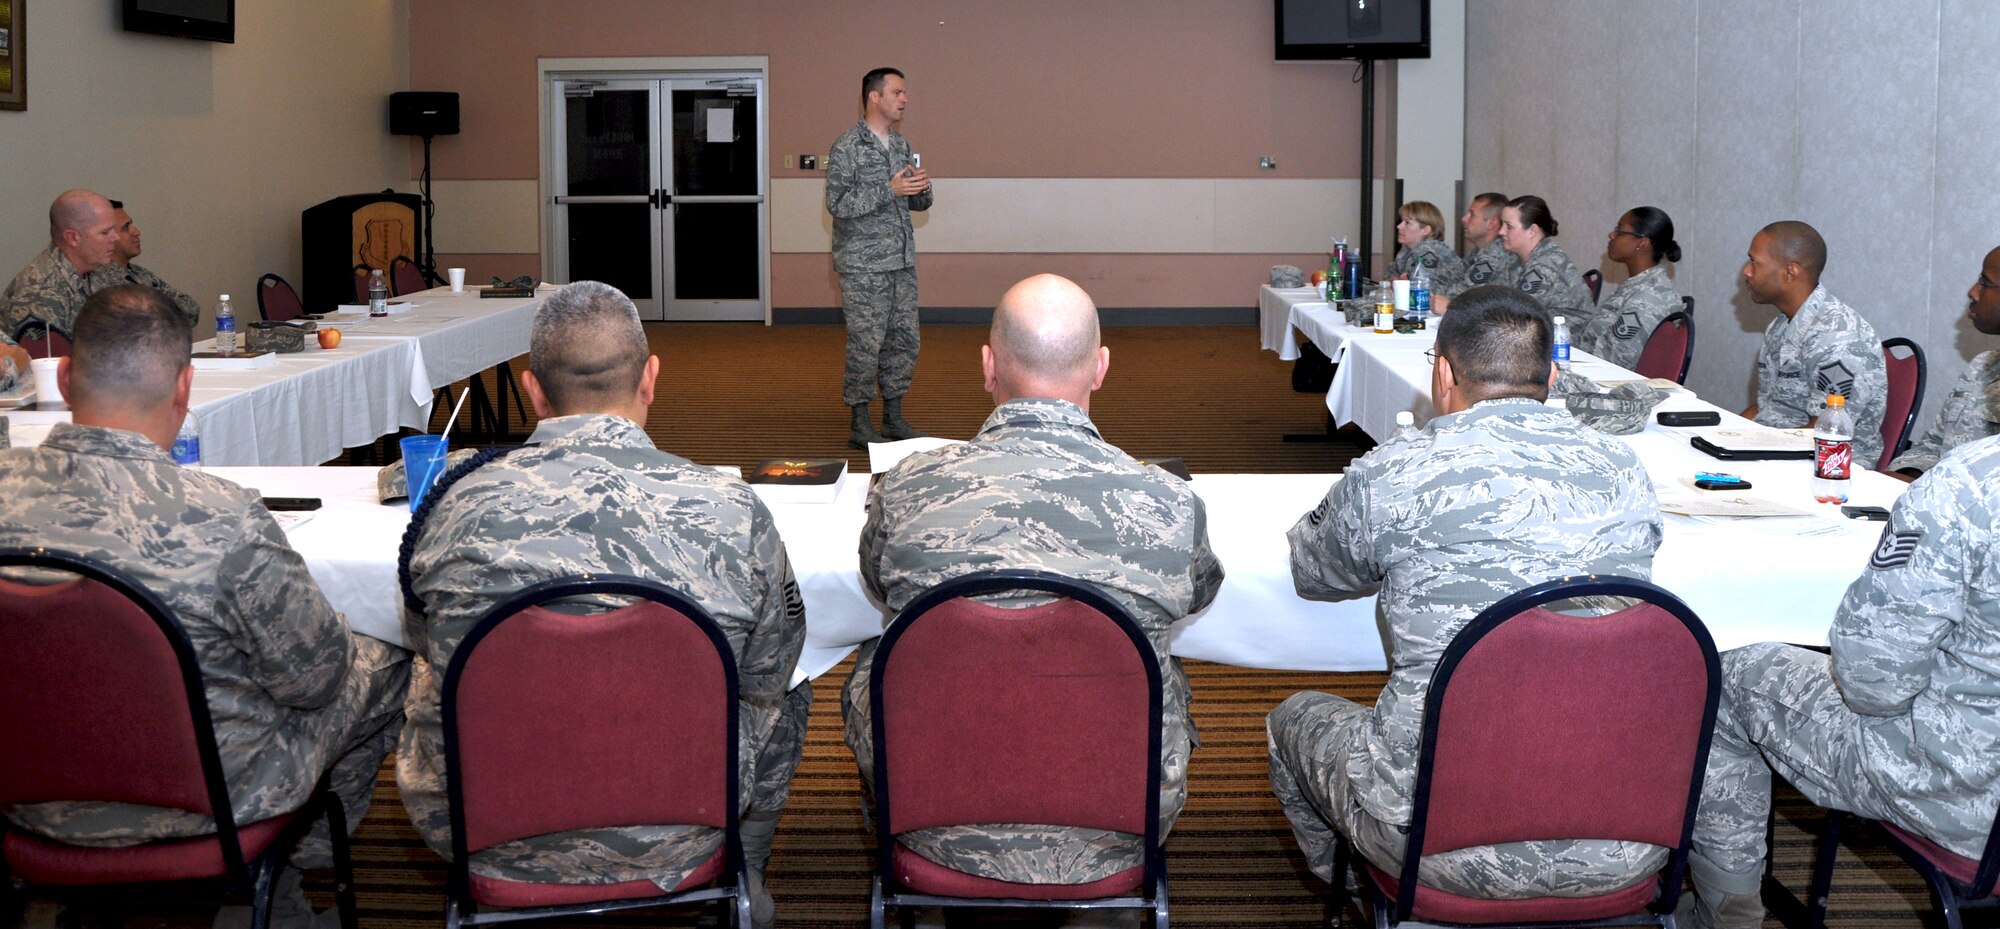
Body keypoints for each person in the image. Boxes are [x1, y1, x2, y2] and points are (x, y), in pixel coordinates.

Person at [398, 280, 810, 929]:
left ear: (533, 391)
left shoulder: (451, 509)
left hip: (485, 826)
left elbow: (424, 637)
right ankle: (741, 866)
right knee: (790, 685)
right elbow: (774, 661)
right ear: (651, 378)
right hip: (684, 823)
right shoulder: (734, 512)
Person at [0, 284, 409, 928]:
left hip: (25, 801)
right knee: (385, 660)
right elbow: (317, 680)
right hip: (214, 801)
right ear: (185, 387)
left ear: (67, 375)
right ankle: (292, 880)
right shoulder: (222, 515)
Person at [1269, 285, 1666, 901]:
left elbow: (1314, 573)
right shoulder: (1623, 469)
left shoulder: (1396, 470)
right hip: (1623, 837)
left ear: (1443, 372)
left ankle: (1358, 895)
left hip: (1430, 842)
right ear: (1554, 374)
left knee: (1291, 718)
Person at [844, 272, 1224, 886]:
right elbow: (1198, 592)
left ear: (989, 367)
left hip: (933, 823)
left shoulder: (907, 489)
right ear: (1100, 368)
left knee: (877, 655)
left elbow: (876, 576)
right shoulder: (1167, 504)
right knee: (1162, 666)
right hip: (1118, 825)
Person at [1687, 433, 2000, 929]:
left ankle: (1728, 918)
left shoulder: (1975, 483)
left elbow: (1872, 677)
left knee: (1723, 675)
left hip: (1964, 798)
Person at [826, 66, 933, 448]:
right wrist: (889, 190)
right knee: (866, 343)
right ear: (875, 97)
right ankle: (859, 422)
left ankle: (893, 417)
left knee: (904, 340)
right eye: (897, 92)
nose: (904, 100)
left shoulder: (901, 145)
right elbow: (837, 203)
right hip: (863, 266)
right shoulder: (848, 147)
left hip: (900, 262)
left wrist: (921, 189)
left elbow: (915, 202)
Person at [1740, 220, 1888, 468]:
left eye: (1755, 262)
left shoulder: (1839, 338)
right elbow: (1767, 408)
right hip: (1776, 450)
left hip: (1825, 468)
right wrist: (1723, 435)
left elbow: (1826, 432)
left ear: (1790, 272)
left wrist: (1750, 447)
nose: (1746, 271)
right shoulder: (1781, 325)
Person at [1888, 245, 2000, 478]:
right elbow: (1931, 447)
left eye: (1985, 283)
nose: (1973, 292)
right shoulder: (1982, 367)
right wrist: (1898, 482)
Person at [2, 189, 123, 345]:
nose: (116, 237)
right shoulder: (39, 292)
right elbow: (50, 364)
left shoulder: (102, 269)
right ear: (72, 238)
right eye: (105, 232)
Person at [1582, 206, 1683, 370]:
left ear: (1642, 242)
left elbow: (1613, 363)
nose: (1611, 234)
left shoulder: (1647, 297)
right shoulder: (1637, 285)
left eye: (1619, 230)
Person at [86, 199, 203, 330]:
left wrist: (150, 317)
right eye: (126, 227)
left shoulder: (140, 274)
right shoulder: (95, 279)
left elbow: (191, 308)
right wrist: (160, 315)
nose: (136, 232)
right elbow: (124, 328)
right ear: (107, 236)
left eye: (131, 225)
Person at [1498, 195, 1601, 337]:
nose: (1501, 232)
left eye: (1508, 226)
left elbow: (1516, 316)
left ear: (1532, 231)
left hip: (1569, 347)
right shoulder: (1519, 261)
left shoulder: (1546, 264)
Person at [1444, 192, 1521, 298]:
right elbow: (1450, 279)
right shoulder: (1475, 253)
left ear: (1491, 223)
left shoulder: (1495, 254)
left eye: (1472, 215)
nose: (1464, 219)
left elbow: (1459, 295)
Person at [1386, 200, 1464, 285]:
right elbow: (1387, 280)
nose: (1399, 226)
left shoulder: (1429, 250)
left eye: (1407, 222)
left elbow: (1422, 289)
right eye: (1402, 221)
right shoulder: (1406, 250)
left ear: (1425, 230)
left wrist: (1398, 283)